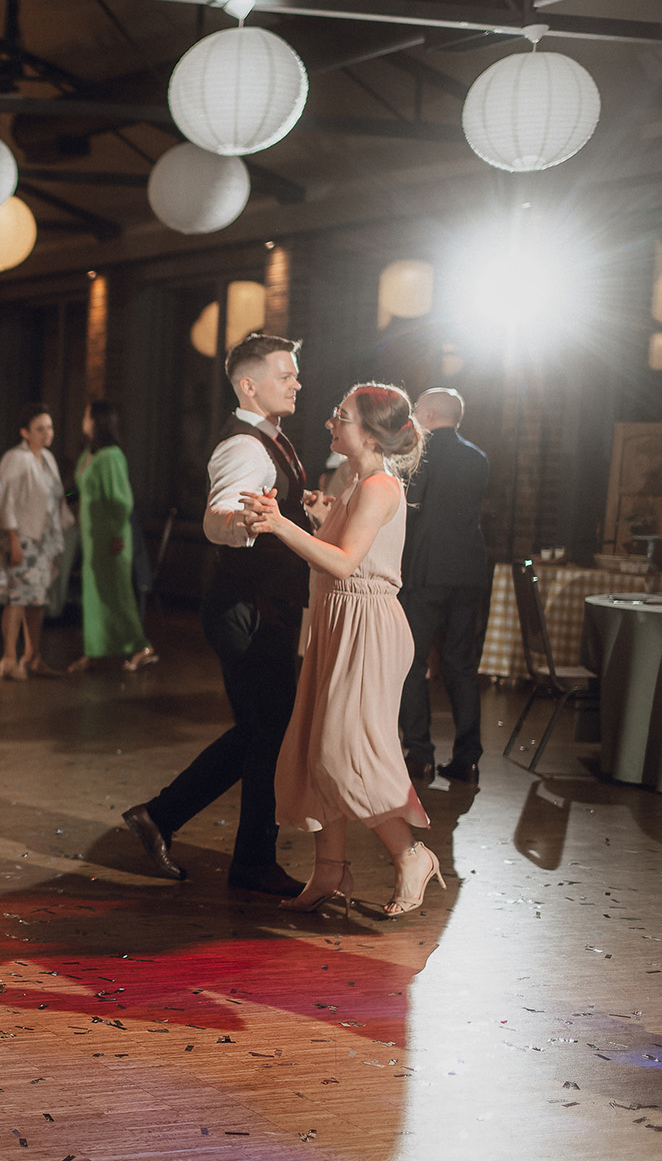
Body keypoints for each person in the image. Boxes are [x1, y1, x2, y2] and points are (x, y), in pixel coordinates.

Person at [122, 334, 311, 899]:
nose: (296, 383)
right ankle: (246, 859)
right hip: (245, 609)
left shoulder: (268, 439)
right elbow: (217, 516)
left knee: (263, 731)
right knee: (269, 732)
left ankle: (163, 818)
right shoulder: (243, 447)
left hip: (263, 607)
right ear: (249, 385)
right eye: (285, 375)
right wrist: (242, 524)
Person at [248, 384, 443, 917]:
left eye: (341, 415)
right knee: (317, 747)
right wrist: (321, 517)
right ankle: (330, 871)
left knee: (345, 752)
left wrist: (281, 524)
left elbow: (341, 562)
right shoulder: (358, 483)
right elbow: (345, 549)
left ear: (372, 434)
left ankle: (411, 855)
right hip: (340, 623)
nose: (330, 422)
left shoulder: (379, 486)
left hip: (367, 628)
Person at [397, 387, 489, 786]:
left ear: (430, 415)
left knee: (412, 664)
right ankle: (468, 759)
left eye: (417, 410)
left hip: (426, 570)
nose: (414, 416)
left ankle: (420, 755)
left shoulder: (422, 453)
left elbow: (410, 508)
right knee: (461, 665)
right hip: (468, 571)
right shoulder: (478, 457)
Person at [70, 401, 157, 672]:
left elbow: (121, 500)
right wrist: (63, 496)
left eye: (87, 416)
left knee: (117, 595)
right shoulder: (89, 454)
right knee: (94, 594)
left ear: (97, 421)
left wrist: (118, 535)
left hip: (111, 538)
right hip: (92, 537)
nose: (83, 420)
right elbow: (78, 489)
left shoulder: (111, 456)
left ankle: (141, 646)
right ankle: (95, 650)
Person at [0, 404, 69, 680]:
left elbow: (56, 498)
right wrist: (13, 539)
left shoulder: (47, 458)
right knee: (17, 597)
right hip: (22, 538)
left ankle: (32, 656)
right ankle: (9, 658)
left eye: (49, 427)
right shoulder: (16, 458)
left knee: (37, 600)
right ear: (25, 432)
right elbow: (6, 500)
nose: (47, 433)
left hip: (44, 540)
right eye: (40, 429)